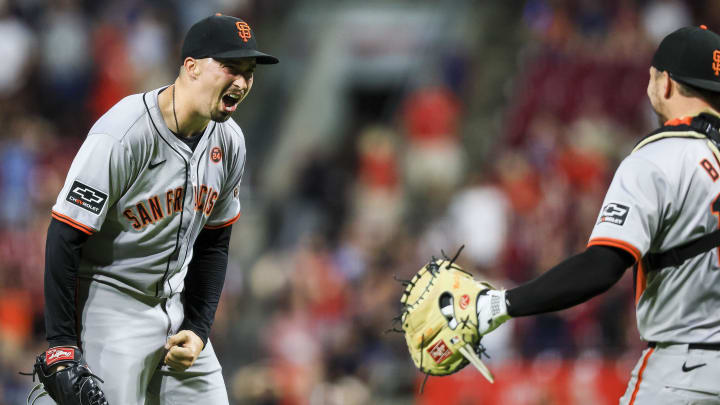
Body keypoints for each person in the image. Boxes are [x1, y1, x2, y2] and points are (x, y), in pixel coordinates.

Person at [475, 25, 720, 404]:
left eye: (652, 76)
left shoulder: (661, 156)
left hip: (682, 374)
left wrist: (498, 305)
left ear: (666, 83)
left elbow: (602, 267)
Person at [40, 14, 277, 404]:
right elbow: (64, 235)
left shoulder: (230, 141)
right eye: (231, 67)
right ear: (192, 67)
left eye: (249, 72)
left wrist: (199, 328)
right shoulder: (123, 133)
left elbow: (215, 243)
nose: (242, 82)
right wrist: (62, 345)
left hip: (175, 308)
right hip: (109, 309)